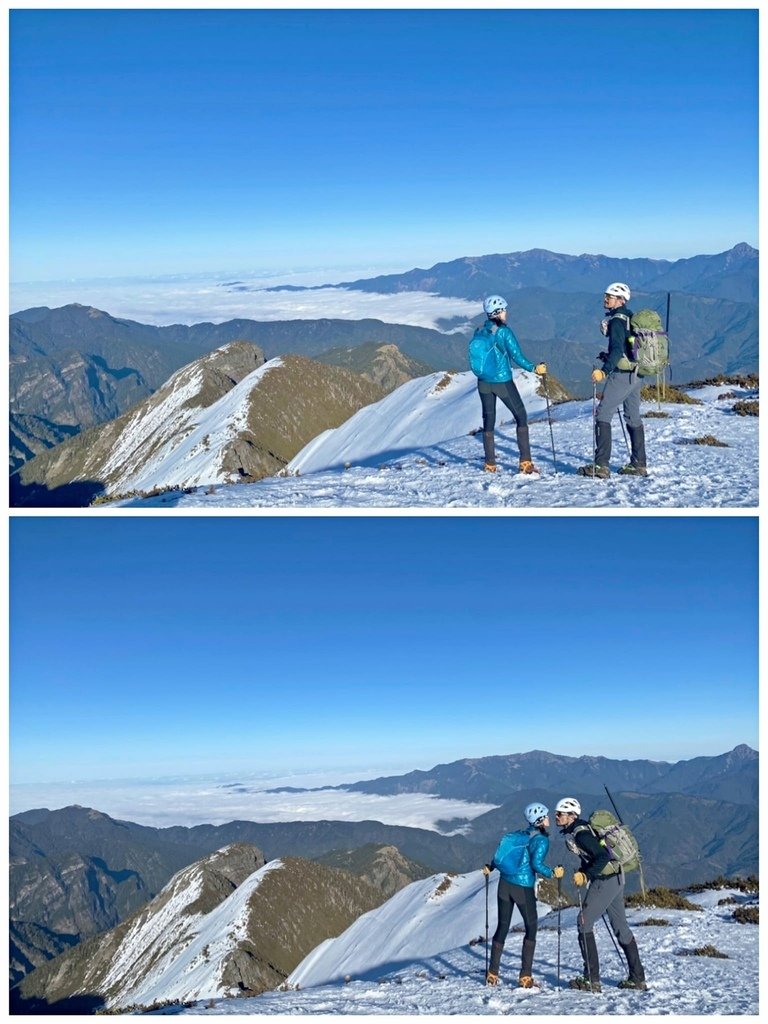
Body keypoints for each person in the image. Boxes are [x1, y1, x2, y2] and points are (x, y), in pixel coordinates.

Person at [554, 796, 647, 993]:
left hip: (605, 882)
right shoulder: (582, 830)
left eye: (560, 814)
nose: (556, 816)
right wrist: (585, 870)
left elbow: (602, 856)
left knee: (583, 922)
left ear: (571, 816)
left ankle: (591, 979)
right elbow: (595, 856)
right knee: (621, 927)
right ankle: (637, 978)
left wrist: (585, 874)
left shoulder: (581, 835)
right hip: (617, 878)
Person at [482, 802, 564, 988]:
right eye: (546, 815)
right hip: (523, 888)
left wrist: (490, 867)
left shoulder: (519, 835)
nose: (549, 818)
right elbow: (536, 864)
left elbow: (502, 857)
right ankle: (525, 975)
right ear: (540, 820)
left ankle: (493, 973)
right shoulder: (541, 840)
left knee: (502, 927)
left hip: (504, 885)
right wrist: (553, 873)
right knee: (531, 928)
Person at [578, 282, 648, 478]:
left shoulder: (617, 321)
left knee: (602, 414)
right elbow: (626, 348)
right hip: (636, 373)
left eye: (609, 296)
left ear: (620, 300)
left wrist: (604, 371)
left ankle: (601, 465)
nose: (605, 299)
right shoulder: (630, 317)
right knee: (633, 417)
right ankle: (639, 464)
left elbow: (618, 350)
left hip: (621, 375)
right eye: (606, 295)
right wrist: (608, 357)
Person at [475, 295, 547, 474]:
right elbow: (516, 356)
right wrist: (534, 368)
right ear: (498, 312)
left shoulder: (480, 331)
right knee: (521, 416)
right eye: (504, 309)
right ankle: (525, 463)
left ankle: (490, 464)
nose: (506, 312)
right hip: (502, 381)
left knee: (488, 421)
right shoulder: (504, 332)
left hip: (483, 382)